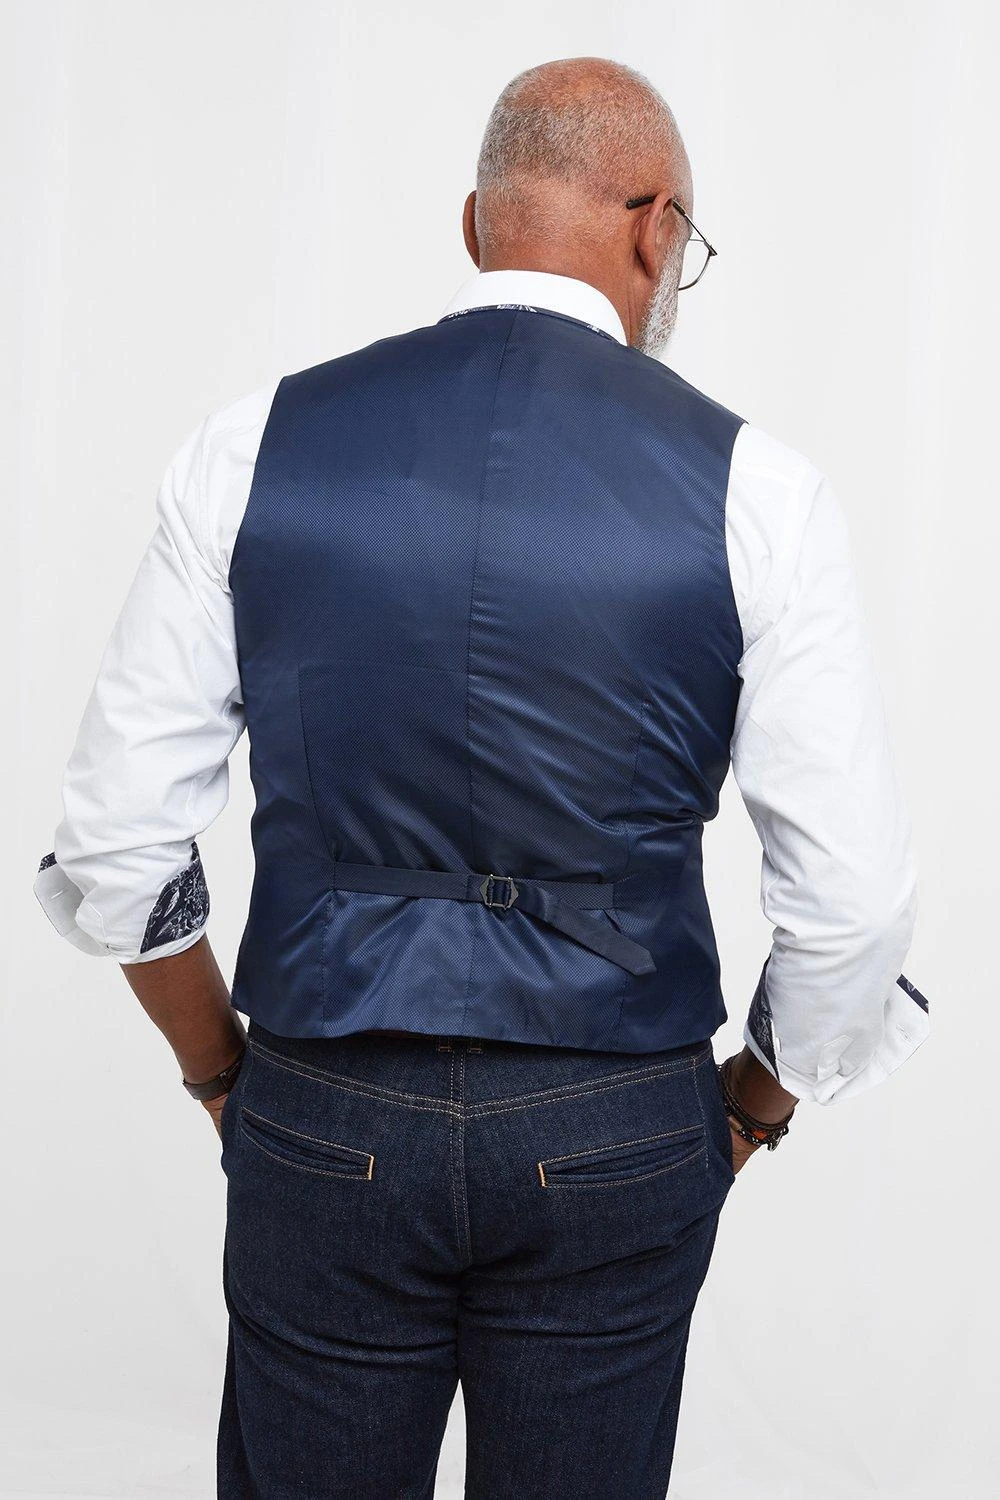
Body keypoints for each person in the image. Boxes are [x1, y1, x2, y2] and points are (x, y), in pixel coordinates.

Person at [33, 54, 930, 1500]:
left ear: (475, 224)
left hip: (326, 1103)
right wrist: (750, 1110)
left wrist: (223, 1077)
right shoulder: (759, 489)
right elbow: (851, 911)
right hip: (616, 1118)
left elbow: (117, 845)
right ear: (656, 230)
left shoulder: (252, 448)